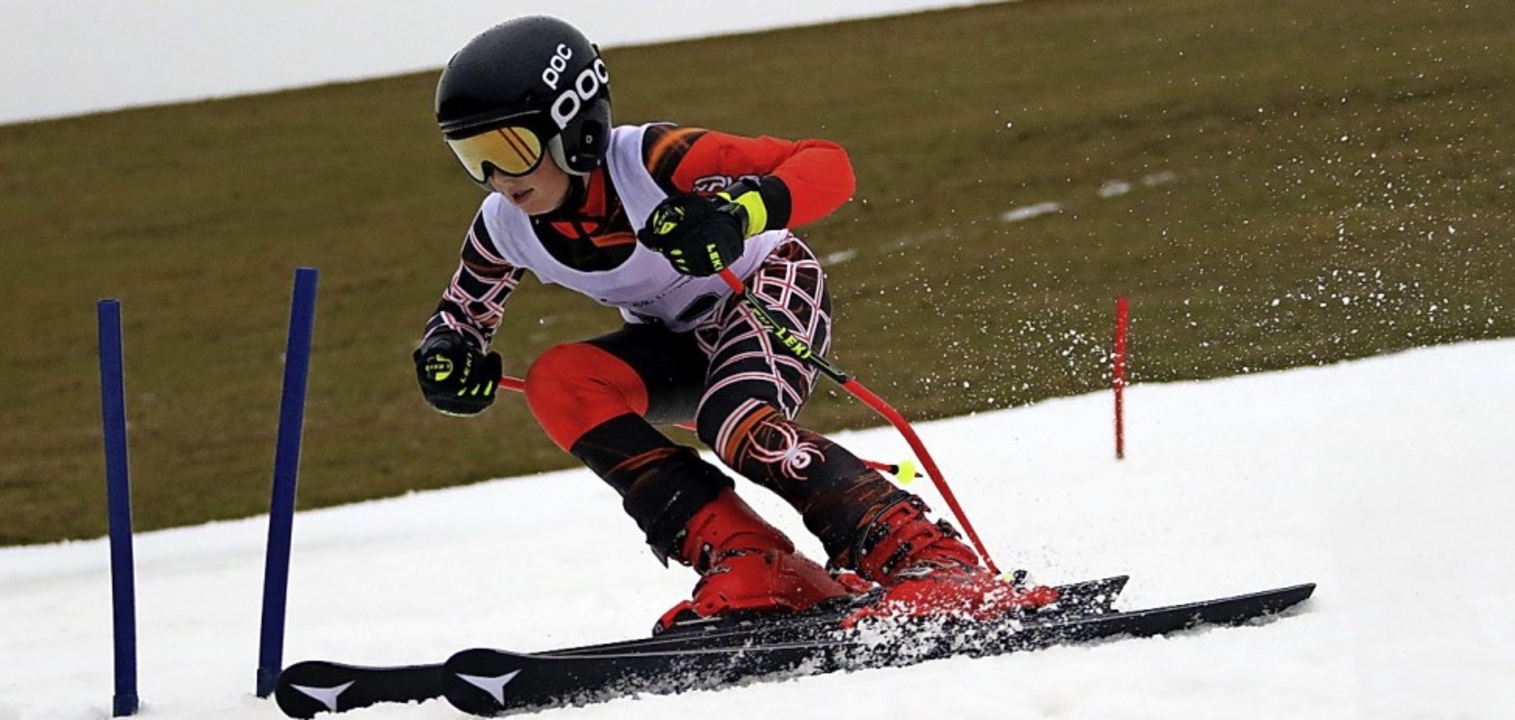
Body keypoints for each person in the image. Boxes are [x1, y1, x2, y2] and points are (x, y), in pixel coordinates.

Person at [412, 15, 1055, 630]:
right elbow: (463, 314)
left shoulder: (654, 160)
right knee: (560, 381)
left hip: (764, 288)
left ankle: (924, 556)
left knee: (734, 421)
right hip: (675, 339)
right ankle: (754, 560)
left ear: (574, 129)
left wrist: (738, 213)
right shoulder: (504, 228)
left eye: (510, 148)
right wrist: (448, 357)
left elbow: (827, 165)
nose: (497, 179)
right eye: (473, 158)